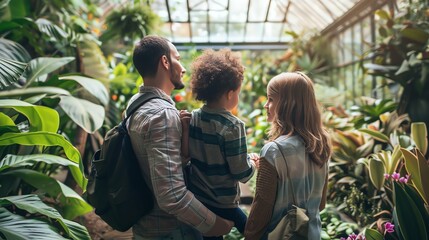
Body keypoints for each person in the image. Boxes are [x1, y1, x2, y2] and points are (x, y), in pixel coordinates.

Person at [127, 35, 234, 240]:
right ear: (165, 62)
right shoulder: (161, 115)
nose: (183, 68)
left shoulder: (136, 104)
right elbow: (172, 195)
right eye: (177, 58)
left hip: (145, 225)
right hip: (171, 230)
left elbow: (155, 166)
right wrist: (215, 225)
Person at [244, 72, 332, 240]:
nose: (265, 105)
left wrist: (249, 236)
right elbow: (320, 204)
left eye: (270, 99)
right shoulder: (322, 145)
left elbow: (262, 209)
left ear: (286, 104)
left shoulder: (273, 151)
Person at [180, 48, 256, 240]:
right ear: (230, 94)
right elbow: (241, 173)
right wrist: (254, 163)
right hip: (224, 203)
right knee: (253, 231)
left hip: (201, 201)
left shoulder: (194, 118)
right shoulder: (233, 126)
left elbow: (188, 154)